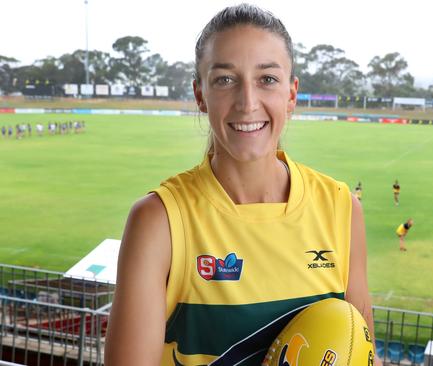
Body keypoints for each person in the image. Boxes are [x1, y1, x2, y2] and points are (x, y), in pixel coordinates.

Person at [105, 5, 380, 366]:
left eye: (267, 79)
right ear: (200, 95)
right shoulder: (160, 221)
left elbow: (362, 351)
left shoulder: (341, 209)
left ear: (292, 94)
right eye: (224, 79)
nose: (248, 103)